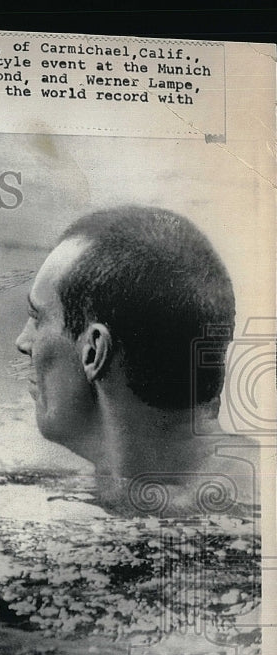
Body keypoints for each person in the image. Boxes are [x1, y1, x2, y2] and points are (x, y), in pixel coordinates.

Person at [15, 205, 256, 516]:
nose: (22, 342)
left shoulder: (230, 516)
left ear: (93, 351)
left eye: (37, 318)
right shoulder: (124, 488)